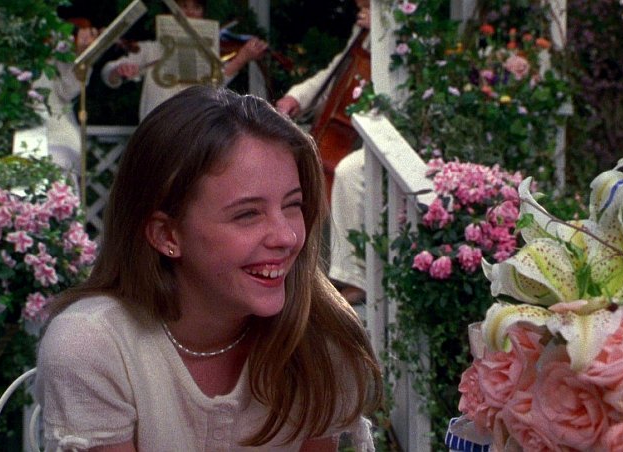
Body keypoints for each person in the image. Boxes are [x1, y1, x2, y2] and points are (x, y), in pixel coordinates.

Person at [34, 86, 383, 451]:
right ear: (167, 234)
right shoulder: (93, 346)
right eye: (248, 214)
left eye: (292, 205)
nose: (287, 236)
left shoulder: (319, 340)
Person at [275, 0, 370, 305]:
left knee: (347, 173)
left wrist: (385, 32)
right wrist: (296, 98)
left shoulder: (399, 35)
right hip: (345, 132)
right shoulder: (363, 32)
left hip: (376, 136)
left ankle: (352, 278)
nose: (360, 6)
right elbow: (335, 72)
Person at [101, 0, 269, 120]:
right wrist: (119, 70)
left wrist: (242, 57)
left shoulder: (207, 52)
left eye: (196, 7)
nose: (190, 13)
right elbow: (108, 72)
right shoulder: (151, 48)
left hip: (192, 130)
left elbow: (216, 85)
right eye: (183, 6)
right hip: (156, 129)